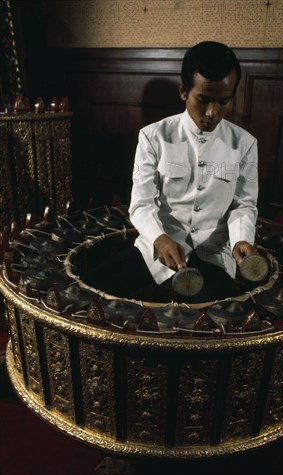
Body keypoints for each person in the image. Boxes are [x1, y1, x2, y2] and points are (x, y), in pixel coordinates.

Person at [88, 41, 259, 303]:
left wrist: (241, 240)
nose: (213, 113)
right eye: (203, 100)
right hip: (157, 249)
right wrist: (159, 238)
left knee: (216, 324)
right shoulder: (152, 137)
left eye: (223, 102)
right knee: (91, 290)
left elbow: (244, 205)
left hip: (213, 256)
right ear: (183, 91)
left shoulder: (245, 144)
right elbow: (142, 204)